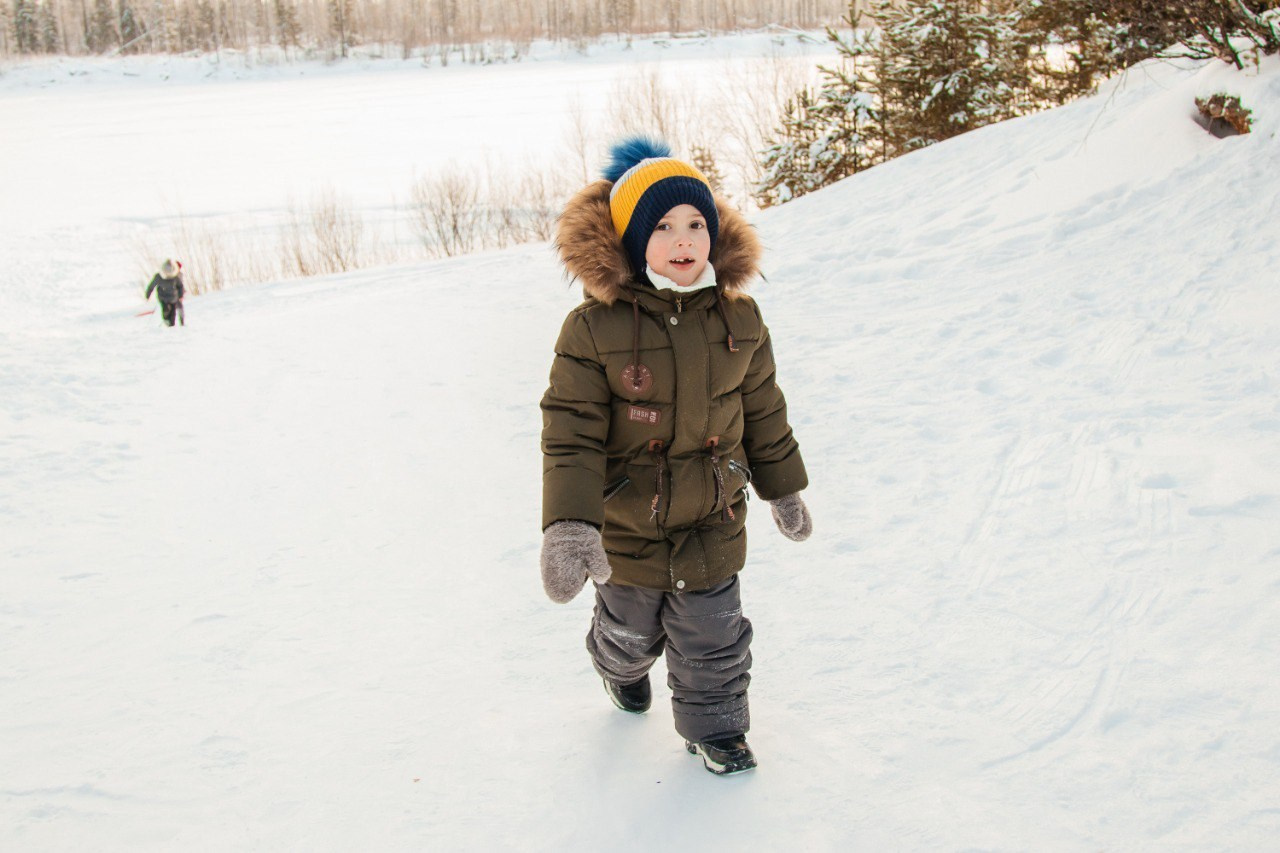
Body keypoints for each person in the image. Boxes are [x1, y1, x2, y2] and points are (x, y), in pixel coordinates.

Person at [539, 137, 812, 776]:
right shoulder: (593, 329)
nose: (683, 238)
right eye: (662, 226)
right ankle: (616, 665)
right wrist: (570, 524)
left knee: (714, 635)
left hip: (714, 515)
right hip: (630, 523)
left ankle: (717, 731)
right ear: (634, 241)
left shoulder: (740, 318)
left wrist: (783, 486)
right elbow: (571, 431)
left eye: (696, 223)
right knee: (632, 631)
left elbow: (764, 409)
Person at [145, 258, 185, 326]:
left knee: (173, 313)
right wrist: (148, 294)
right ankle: (166, 321)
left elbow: (180, 286)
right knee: (166, 310)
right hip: (163, 298)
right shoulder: (158, 277)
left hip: (173, 298)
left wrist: (180, 296)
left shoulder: (176, 277)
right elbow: (151, 286)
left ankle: (171, 326)